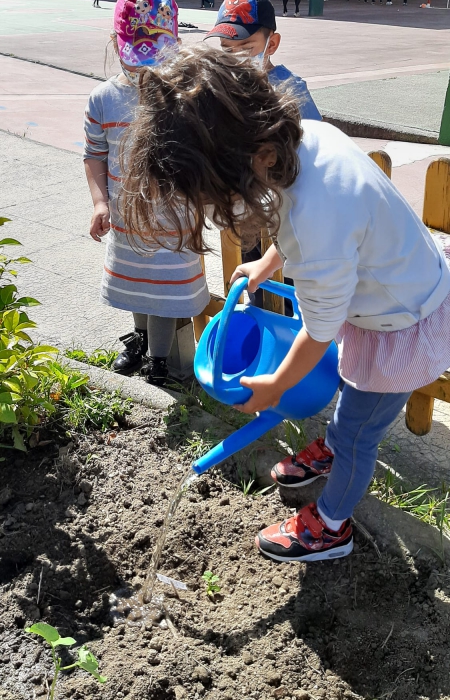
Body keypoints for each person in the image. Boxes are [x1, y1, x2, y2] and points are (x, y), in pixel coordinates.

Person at [121, 43, 450, 563]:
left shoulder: (317, 222)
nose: (219, 208)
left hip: (403, 325)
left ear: (263, 158)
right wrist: (268, 264)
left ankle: (331, 527)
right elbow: (301, 214)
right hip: (391, 291)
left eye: (218, 195)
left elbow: (319, 330)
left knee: (361, 433)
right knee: (352, 397)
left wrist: (276, 385)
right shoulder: (308, 142)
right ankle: (335, 446)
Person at [83, 0, 209, 384]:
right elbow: (94, 154)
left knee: (167, 288)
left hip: (174, 218)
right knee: (137, 284)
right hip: (126, 215)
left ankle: (159, 359)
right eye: (135, 53)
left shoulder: (186, 94)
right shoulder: (102, 99)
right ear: (115, 41)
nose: (144, 67)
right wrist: (100, 202)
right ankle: (140, 342)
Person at [204, 0, 321, 309]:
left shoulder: (290, 87)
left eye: (246, 46)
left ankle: (297, 333)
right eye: (227, 48)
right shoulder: (225, 87)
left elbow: (316, 142)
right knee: (255, 274)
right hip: (248, 209)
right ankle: (262, 321)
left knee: (295, 281)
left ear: (272, 43)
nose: (236, 56)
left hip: (291, 208)